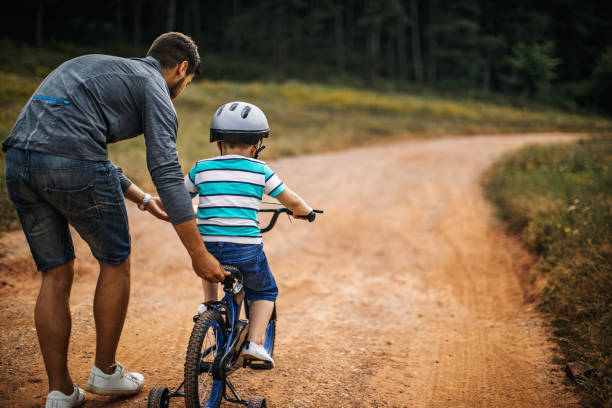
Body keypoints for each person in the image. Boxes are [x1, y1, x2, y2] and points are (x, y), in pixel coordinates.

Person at [2, 32, 228, 408]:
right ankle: (105, 372)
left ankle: (60, 392)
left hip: (19, 162)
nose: (183, 88)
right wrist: (198, 252)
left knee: (55, 273)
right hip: (72, 163)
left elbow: (69, 137)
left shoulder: (100, 66)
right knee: (115, 261)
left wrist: (140, 199)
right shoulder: (154, 86)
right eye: (187, 82)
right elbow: (166, 170)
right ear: (182, 69)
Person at [184, 101, 314, 367]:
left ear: (218, 143)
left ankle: (210, 304)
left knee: (208, 255)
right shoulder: (260, 170)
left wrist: (200, 209)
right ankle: (254, 343)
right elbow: (292, 201)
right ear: (256, 145)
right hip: (245, 250)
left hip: (206, 247)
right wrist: (306, 212)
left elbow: (180, 198)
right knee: (266, 289)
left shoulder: (201, 168)